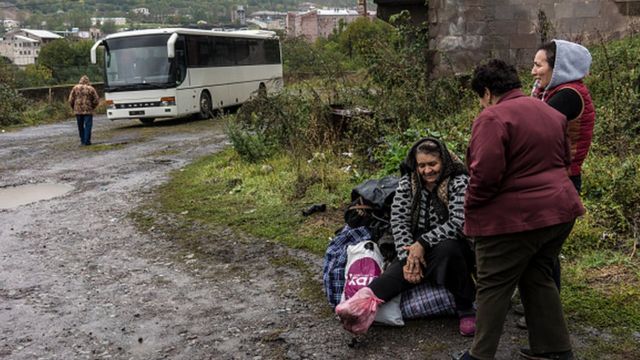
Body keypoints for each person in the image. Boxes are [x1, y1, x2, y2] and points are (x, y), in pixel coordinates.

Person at [452, 59, 585, 360]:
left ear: (486, 92)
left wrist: (470, 207)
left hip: (514, 219)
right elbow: (565, 158)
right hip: (559, 211)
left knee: (492, 284)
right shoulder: (550, 111)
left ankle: (479, 355)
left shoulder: (492, 118)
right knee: (538, 276)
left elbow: (485, 175)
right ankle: (555, 349)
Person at [336, 137, 477, 336]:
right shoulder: (408, 183)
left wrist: (422, 243)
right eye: (422, 165)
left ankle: (465, 308)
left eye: (432, 164)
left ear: (443, 161)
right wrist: (410, 257)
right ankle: (360, 305)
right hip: (414, 242)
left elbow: (458, 222)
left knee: (448, 250)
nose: (427, 170)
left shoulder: (458, 181)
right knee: (400, 268)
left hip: (452, 241)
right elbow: (399, 221)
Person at [531, 39, 595, 193]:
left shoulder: (568, 95)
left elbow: (530, 127)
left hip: (561, 181)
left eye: (538, 65)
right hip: (555, 176)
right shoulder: (553, 91)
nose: (533, 71)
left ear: (559, 68)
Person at [68, 75, 100, 146]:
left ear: (80, 81)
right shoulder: (91, 89)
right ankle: (87, 141)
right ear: (88, 81)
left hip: (78, 111)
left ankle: (82, 141)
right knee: (88, 126)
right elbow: (96, 100)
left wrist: (73, 107)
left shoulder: (75, 88)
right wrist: (92, 107)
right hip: (88, 110)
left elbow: (70, 100)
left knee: (80, 126)